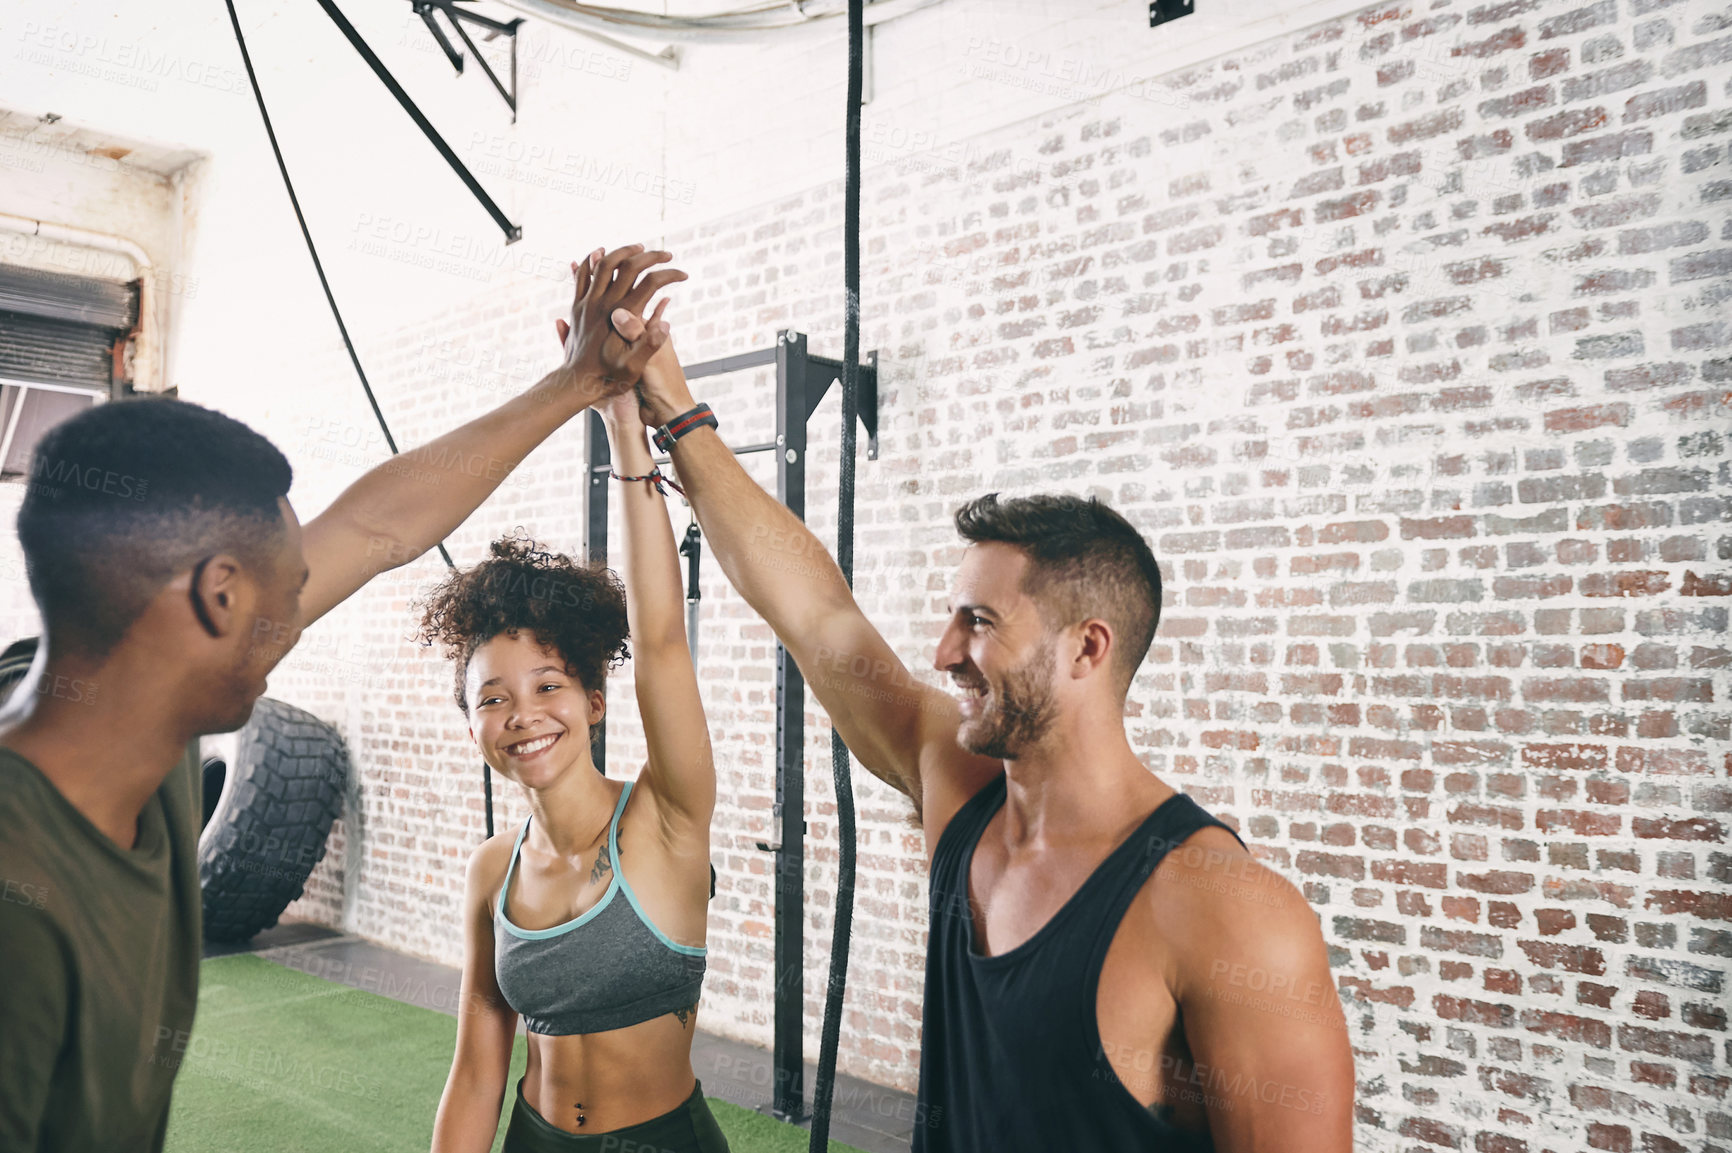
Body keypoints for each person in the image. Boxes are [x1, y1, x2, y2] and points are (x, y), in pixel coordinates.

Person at [606, 311, 1357, 1152]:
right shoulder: (958, 791)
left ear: (1088, 647)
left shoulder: (1229, 911)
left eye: (980, 622)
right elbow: (817, 617)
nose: (944, 651)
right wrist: (670, 405)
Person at [0, 243, 680, 1153]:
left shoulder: (132, 702)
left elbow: (378, 528)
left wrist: (575, 384)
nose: (303, 604)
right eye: (290, 585)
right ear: (219, 595)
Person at [423, 332, 727, 1149]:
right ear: (474, 721)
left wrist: (621, 419)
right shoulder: (493, 869)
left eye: (548, 685)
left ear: (595, 701)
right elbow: (478, 1066)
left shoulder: (667, 819)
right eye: (493, 697)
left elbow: (660, 636)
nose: (523, 713)